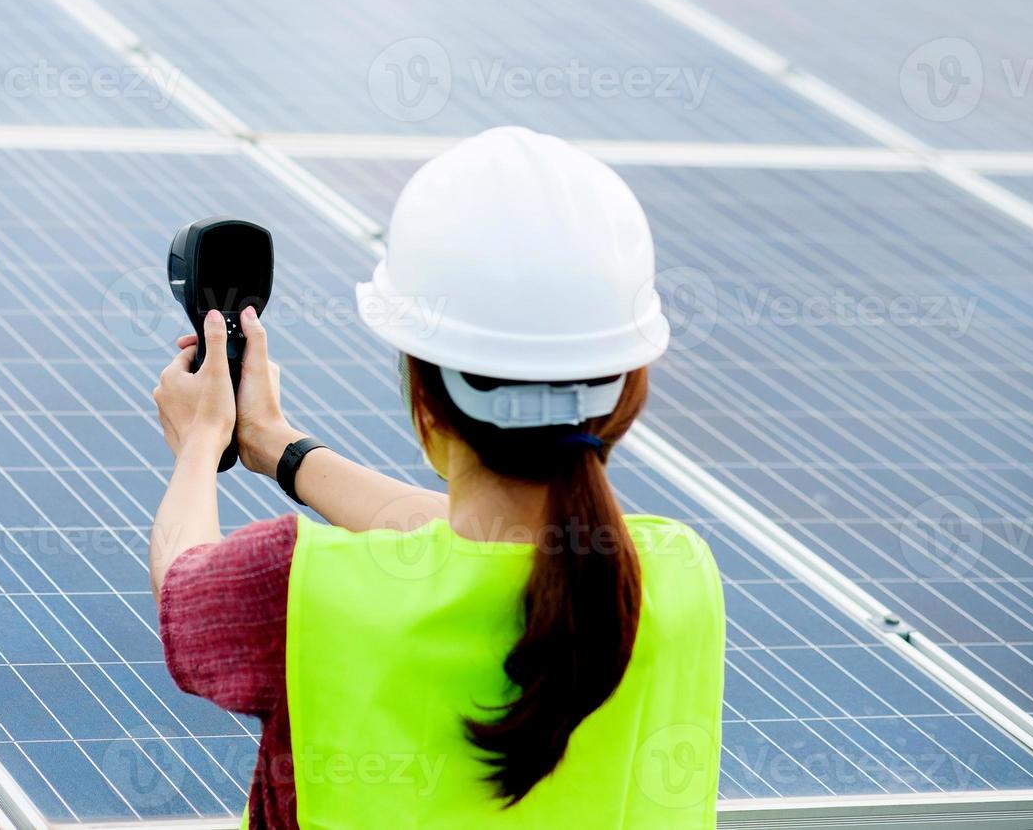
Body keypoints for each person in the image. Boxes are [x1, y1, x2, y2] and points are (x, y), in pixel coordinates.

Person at [148, 127, 724, 828]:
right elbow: (490, 545)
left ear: (425, 401)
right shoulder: (675, 576)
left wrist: (201, 441)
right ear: (627, 394)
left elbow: (186, 589)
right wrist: (280, 445)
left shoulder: (298, 587)